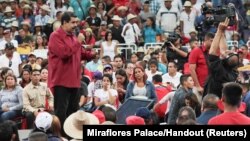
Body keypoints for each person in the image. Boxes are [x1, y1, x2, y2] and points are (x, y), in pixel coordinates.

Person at [48, 12, 95, 134]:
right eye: (73, 22)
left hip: (75, 81)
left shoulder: (73, 36)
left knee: (73, 111)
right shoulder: (55, 36)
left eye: (76, 22)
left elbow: (78, 53)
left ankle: (71, 135)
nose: (75, 25)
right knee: (61, 113)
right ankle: (59, 137)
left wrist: (90, 54)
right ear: (64, 23)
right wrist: (78, 42)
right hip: (61, 81)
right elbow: (64, 53)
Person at [203, 18, 239, 98]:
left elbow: (212, 52)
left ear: (225, 58)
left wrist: (219, 30)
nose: (227, 51)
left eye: (229, 53)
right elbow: (224, 50)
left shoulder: (219, 71)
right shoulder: (233, 73)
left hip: (212, 104)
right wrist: (222, 32)